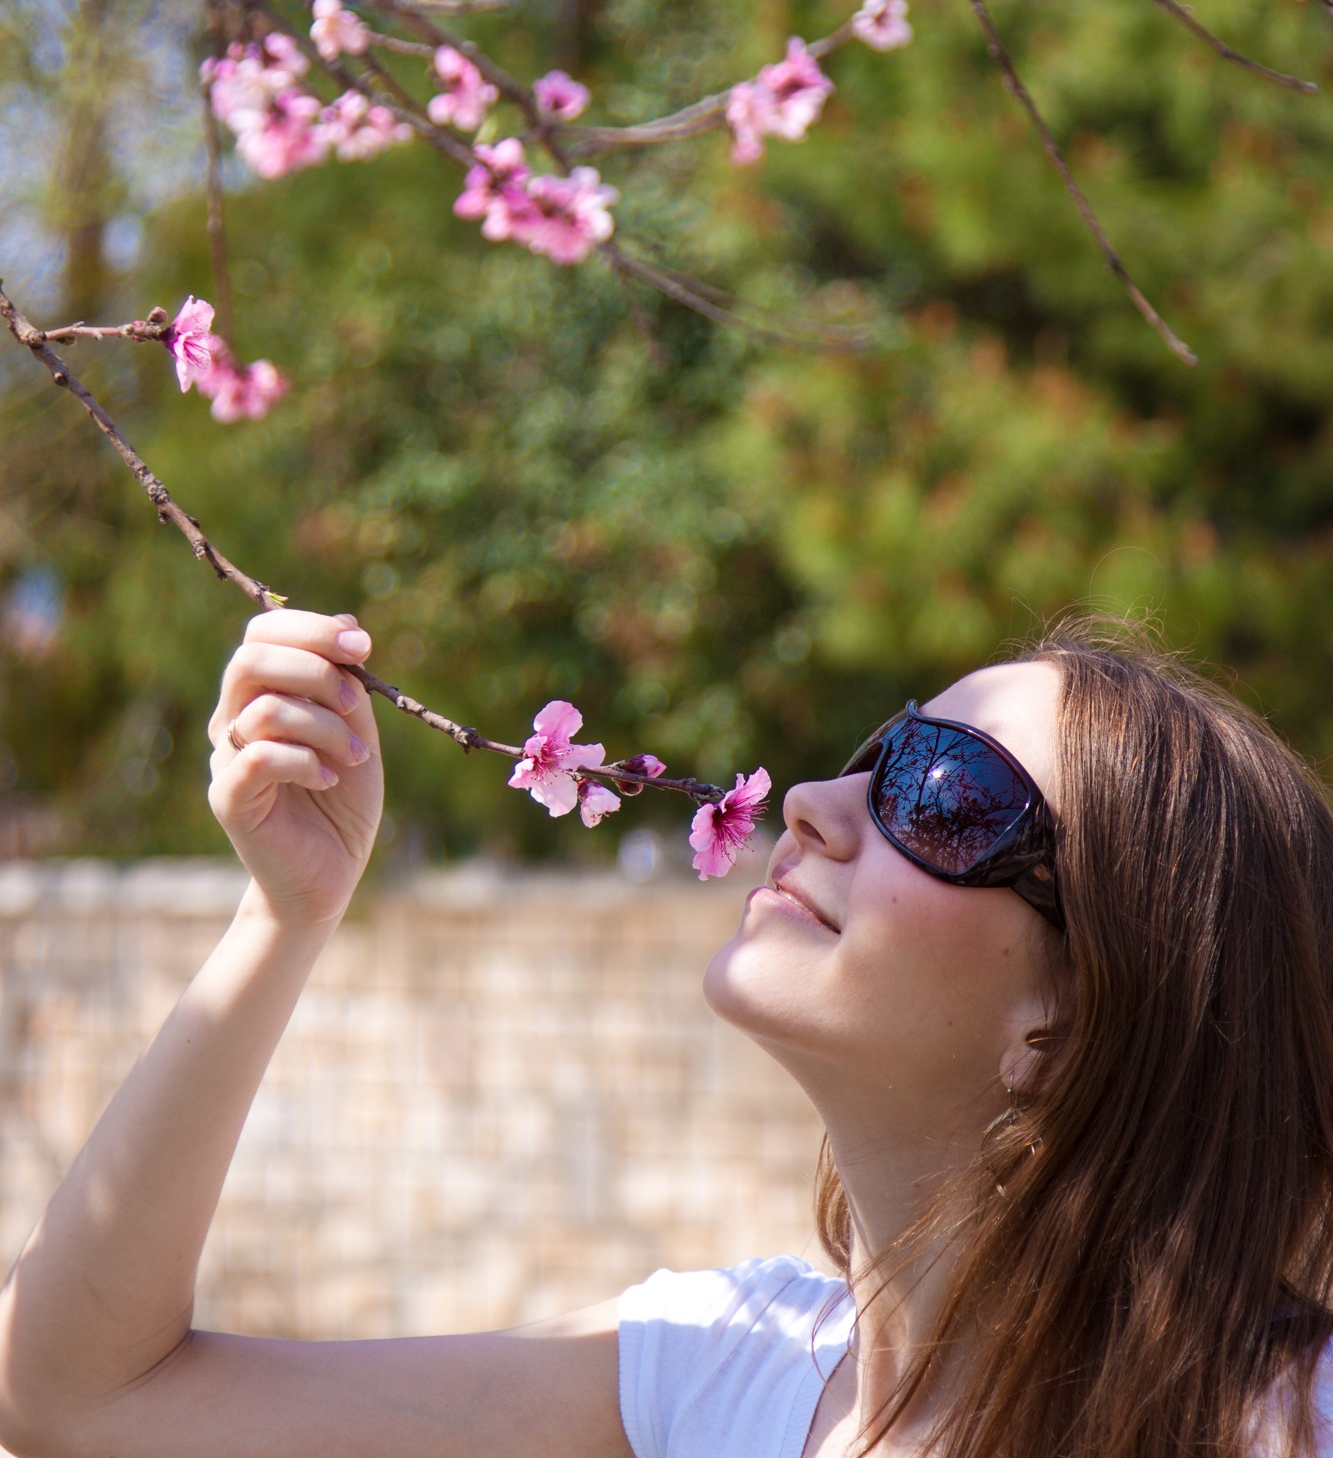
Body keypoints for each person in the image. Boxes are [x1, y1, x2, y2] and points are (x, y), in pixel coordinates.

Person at [1, 608, 1332, 1458]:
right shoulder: (721, 1375)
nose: (812, 800)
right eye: (880, 750)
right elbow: (77, 1399)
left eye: (942, 792)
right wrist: (287, 915)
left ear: (1078, 1014)